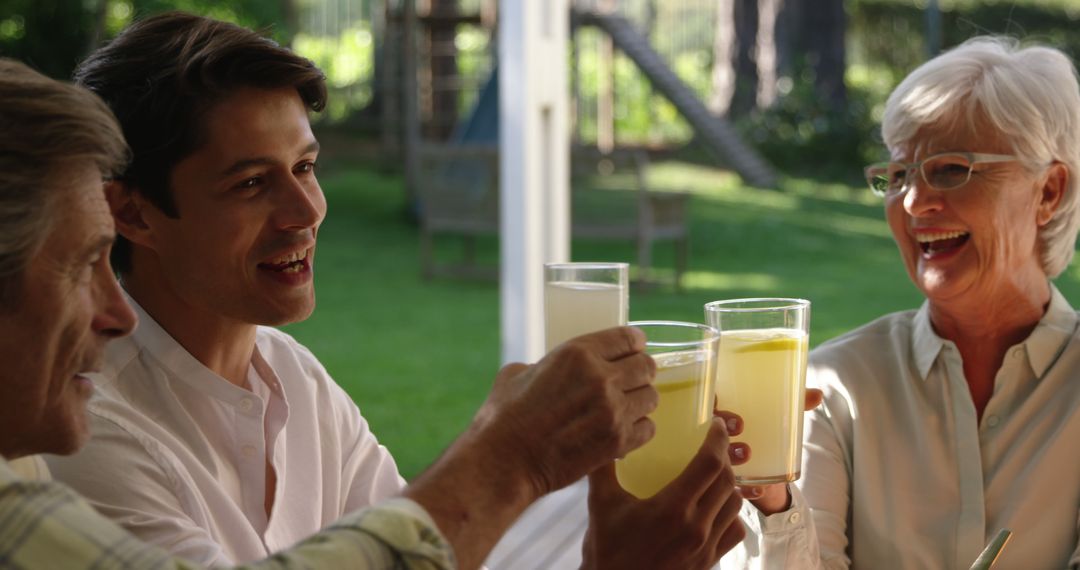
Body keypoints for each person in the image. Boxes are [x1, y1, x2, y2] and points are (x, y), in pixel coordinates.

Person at [1, 55, 745, 569]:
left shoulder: (291, 374)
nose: (307, 212)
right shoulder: (77, 434)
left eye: (307, 168)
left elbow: (425, 550)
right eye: (252, 183)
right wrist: (515, 454)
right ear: (133, 214)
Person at [735, 37, 1080, 569]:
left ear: (1049, 192)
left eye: (950, 169)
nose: (915, 202)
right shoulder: (832, 388)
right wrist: (771, 502)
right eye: (899, 176)